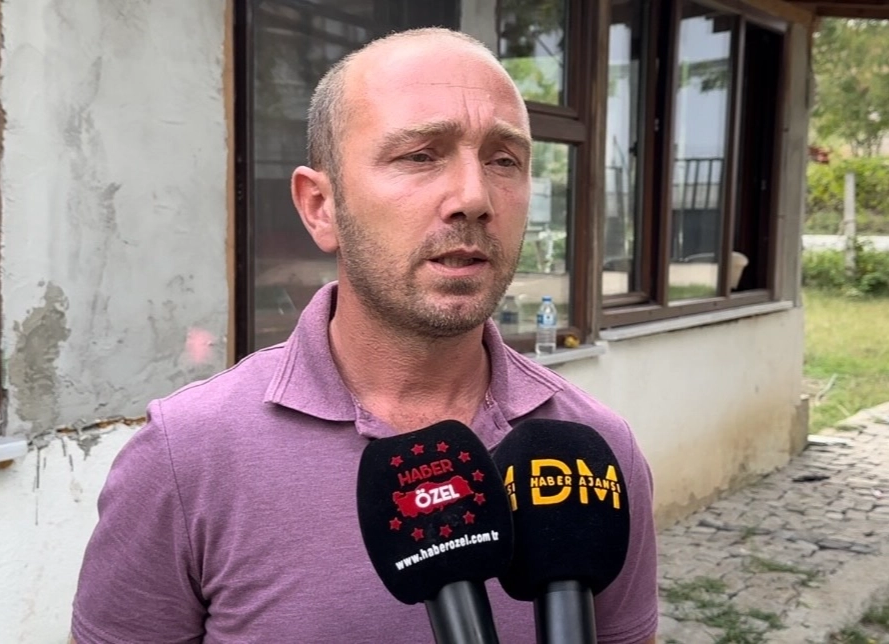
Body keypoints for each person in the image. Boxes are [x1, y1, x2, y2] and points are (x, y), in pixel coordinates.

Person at [71, 27, 658, 644]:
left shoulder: (595, 455)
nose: (474, 196)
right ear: (320, 206)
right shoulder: (185, 456)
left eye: (503, 159)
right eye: (420, 155)